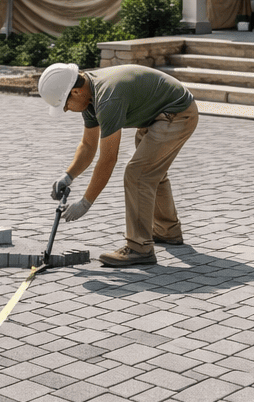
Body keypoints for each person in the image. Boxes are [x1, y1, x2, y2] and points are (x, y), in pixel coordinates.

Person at [38, 62, 200, 267]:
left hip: (177, 114)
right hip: (159, 114)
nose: (67, 110)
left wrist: (85, 202)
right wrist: (68, 175)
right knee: (151, 172)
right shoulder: (90, 96)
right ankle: (167, 231)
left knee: (138, 174)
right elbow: (88, 145)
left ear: (76, 92)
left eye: (65, 105)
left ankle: (139, 248)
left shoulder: (107, 99)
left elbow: (108, 159)